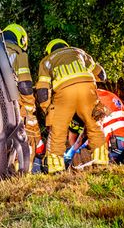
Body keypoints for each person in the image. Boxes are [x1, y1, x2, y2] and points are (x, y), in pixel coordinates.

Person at [34, 38, 107, 174]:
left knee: (58, 131)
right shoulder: (79, 52)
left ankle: (56, 168)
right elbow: (102, 74)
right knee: (94, 125)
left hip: (64, 92)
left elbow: (42, 91)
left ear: (49, 51)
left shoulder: (46, 61)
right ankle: (101, 161)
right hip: (87, 88)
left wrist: (48, 109)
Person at [1, 23, 39, 172]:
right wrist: (30, 108)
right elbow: (24, 84)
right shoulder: (19, 54)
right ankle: (22, 172)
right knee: (27, 135)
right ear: (22, 40)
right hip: (14, 103)